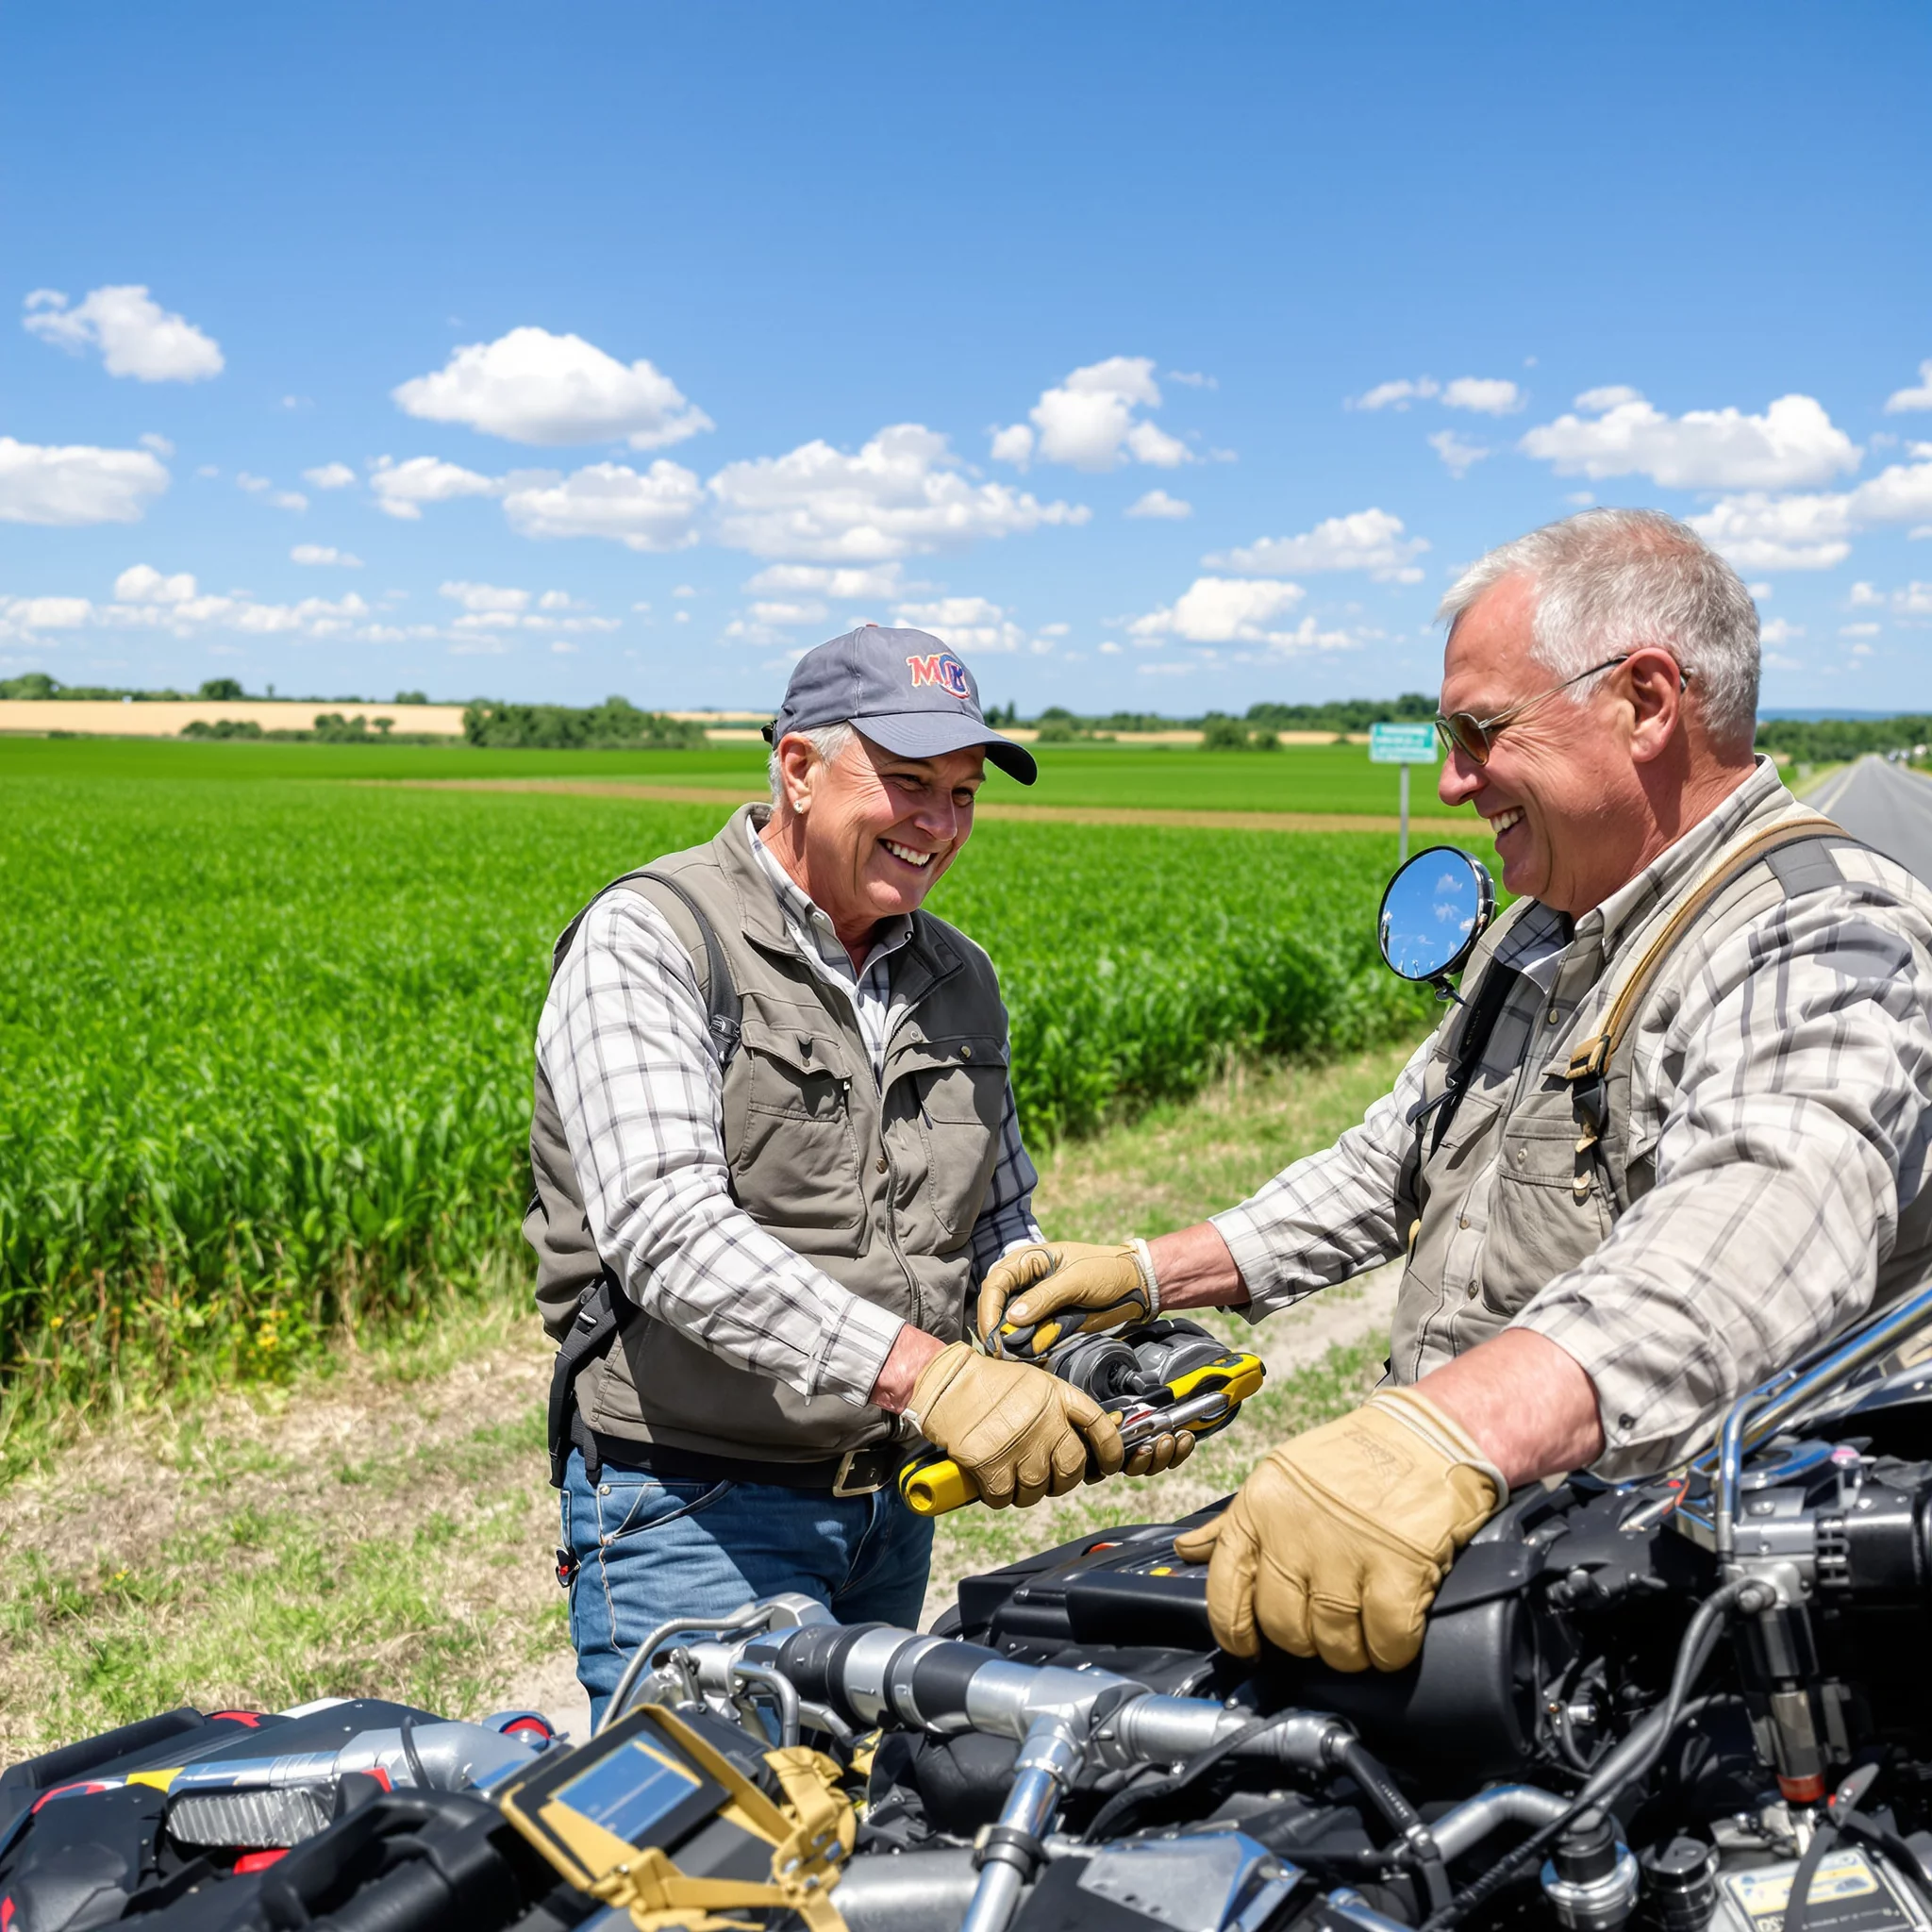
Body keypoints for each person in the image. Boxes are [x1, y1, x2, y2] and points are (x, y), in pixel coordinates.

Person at [979, 508, 1932, 1676]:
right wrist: (1151, 1269)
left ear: (1643, 701)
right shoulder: (1545, 925)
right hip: (1467, 1543)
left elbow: (1760, 1219)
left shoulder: (1818, 928)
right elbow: (1397, 1154)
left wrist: (1448, 1429)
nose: (1448, 783)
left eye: (1480, 733)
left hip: (1670, 1610)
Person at [527, 625, 1179, 1722]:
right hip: (696, 1502)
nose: (939, 823)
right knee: (713, 1858)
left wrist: (1086, 1364)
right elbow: (663, 1230)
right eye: (909, 783)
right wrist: (933, 1377)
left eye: (963, 793)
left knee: (862, 1826)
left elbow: (996, 1223)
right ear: (795, 767)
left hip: (890, 1502)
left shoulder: (957, 972)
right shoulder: (653, 936)